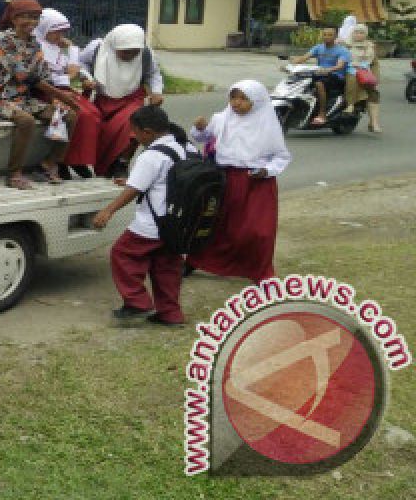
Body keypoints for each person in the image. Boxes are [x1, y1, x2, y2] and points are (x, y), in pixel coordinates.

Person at [90, 105, 186, 327]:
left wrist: (108, 211)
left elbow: (135, 190)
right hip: (176, 223)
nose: (133, 136)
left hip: (152, 224)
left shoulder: (151, 156)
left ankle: (138, 302)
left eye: (135, 131)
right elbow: (160, 179)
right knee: (167, 268)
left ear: (148, 132)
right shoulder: (180, 147)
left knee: (123, 254)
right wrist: (134, 180)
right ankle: (171, 315)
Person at [187, 80, 291, 283]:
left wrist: (266, 170)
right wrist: (199, 128)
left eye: (243, 98)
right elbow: (203, 137)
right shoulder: (222, 118)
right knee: (217, 225)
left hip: (257, 183)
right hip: (225, 179)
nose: (237, 103)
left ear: (257, 101)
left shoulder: (268, 124)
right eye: (233, 97)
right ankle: (197, 261)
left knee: (258, 231)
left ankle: (261, 272)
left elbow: (281, 156)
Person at [0, 0, 79, 188]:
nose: (31, 22)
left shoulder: (35, 43)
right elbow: (24, 76)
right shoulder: (4, 42)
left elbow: (44, 74)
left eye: (35, 17)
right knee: (25, 120)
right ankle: (14, 174)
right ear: (13, 18)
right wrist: (60, 95)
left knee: (69, 115)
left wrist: (56, 101)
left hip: (23, 99)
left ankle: (49, 163)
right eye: (25, 17)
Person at [78, 24, 164, 177]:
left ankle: (122, 163)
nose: (131, 55)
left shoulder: (145, 54)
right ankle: (94, 164)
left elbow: (153, 73)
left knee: (134, 125)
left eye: (134, 52)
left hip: (132, 98)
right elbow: (80, 63)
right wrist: (86, 77)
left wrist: (157, 92)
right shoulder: (97, 47)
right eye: (125, 52)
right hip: (102, 99)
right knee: (96, 126)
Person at [35, 8, 100, 179]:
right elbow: (46, 79)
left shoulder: (54, 47)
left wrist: (71, 49)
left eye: (62, 32)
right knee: (80, 113)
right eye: (56, 32)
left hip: (62, 89)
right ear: (45, 29)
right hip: (46, 92)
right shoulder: (38, 47)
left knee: (92, 113)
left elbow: (73, 67)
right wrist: (70, 76)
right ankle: (63, 160)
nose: (60, 36)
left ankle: (78, 160)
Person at [289, 27, 350, 126]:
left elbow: (340, 66)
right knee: (298, 80)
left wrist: (328, 70)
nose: (326, 37)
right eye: (325, 34)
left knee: (319, 83)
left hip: (335, 76)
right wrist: (291, 64)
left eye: (330, 35)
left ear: (335, 36)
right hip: (319, 73)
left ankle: (322, 114)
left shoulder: (342, 51)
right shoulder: (318, 47)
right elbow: (304, 57)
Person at [344, 23, 382, 132]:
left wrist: (375, 77)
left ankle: (374, 122)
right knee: (351, 80)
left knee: (374, 93)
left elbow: (374, 63)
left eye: (362, 33)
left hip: (366, 72)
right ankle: (350, 104)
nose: (359, 35)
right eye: (356, 32)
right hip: (350, 70)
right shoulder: (346, 45)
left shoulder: (370, 47)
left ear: (365, 35)